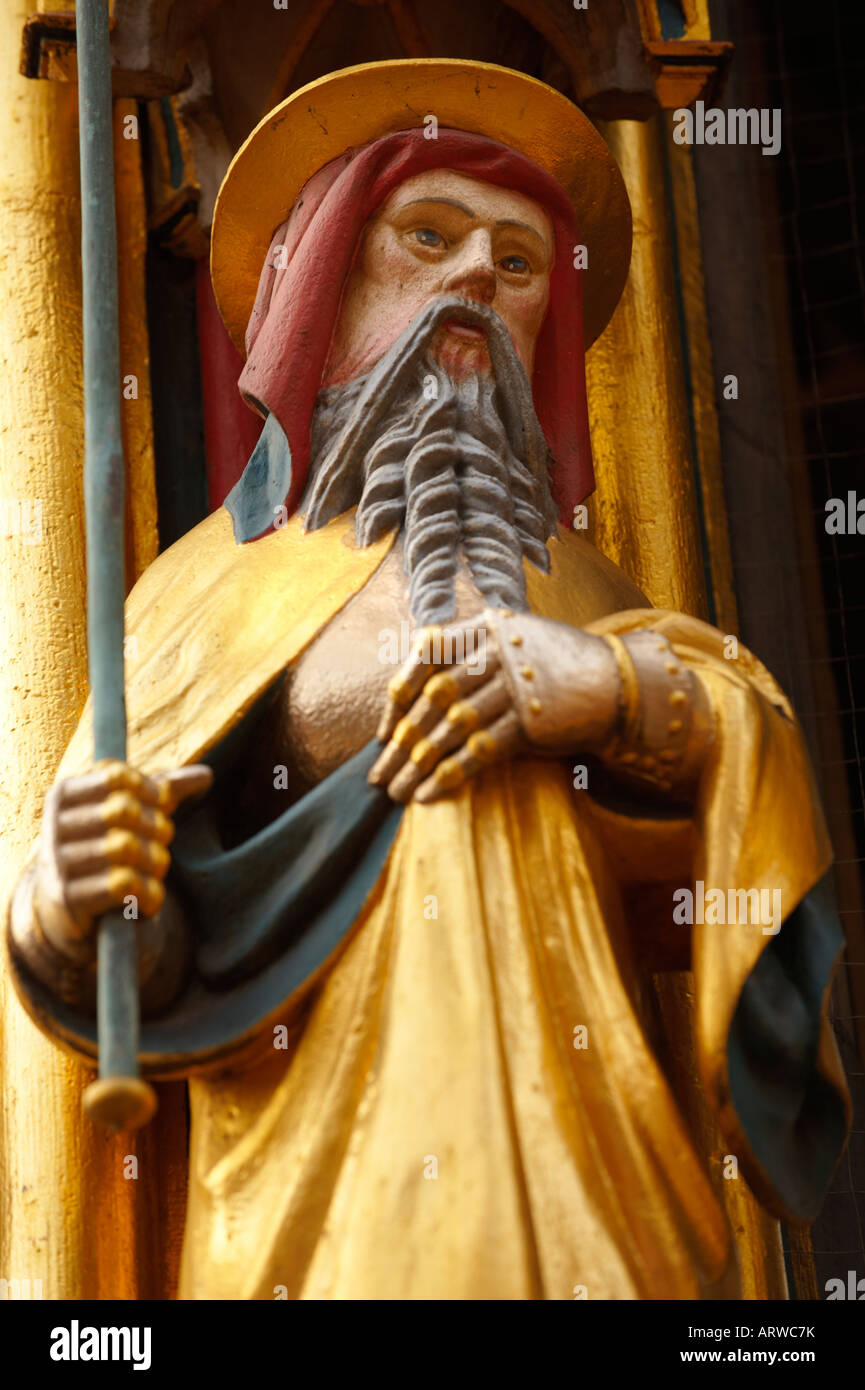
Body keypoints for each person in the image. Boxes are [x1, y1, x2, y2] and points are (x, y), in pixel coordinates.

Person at [7, 60, 849, 1300]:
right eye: (430, 236)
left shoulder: (590, 591)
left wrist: (612, 695)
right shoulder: (206, 595)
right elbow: (147, 939)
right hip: (324, 1194)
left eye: (517, 263)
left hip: (594, 1177)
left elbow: (737, 773)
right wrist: (67, 904)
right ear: (327, 280)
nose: (477, 277)